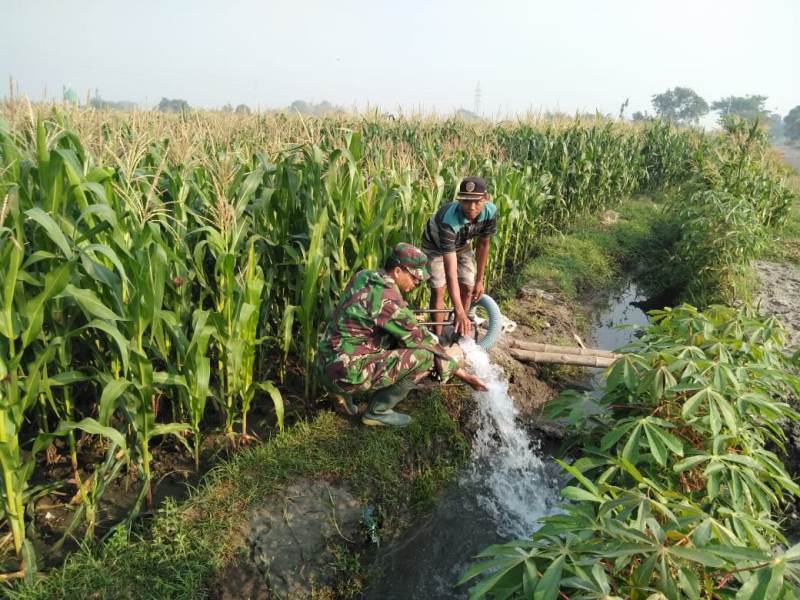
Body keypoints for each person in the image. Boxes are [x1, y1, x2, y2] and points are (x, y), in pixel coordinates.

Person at [317, 242, 487, 427]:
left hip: (324, 362)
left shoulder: (364, 275)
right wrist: (463, 374)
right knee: (425, 357)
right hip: (345, 372)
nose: (416, 283)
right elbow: (423, 340)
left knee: (382, 338)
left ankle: (341, 393)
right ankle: (377, 412)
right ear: (398, 271)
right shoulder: (388, 299)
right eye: (415, 278)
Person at [422, 176, 497, 337]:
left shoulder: (490, 212)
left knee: (469, 287)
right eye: (466, 202)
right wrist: (459, 309)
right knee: (439, 289)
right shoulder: (449, 220)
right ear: (459, 201)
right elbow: (451, 271)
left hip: (462, 244)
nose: (471, 207)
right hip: (435, 247)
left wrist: (479, 280)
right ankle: (438, 337)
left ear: (486, 199)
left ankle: (460, 333)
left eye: (477, 202)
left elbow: (484, 245)